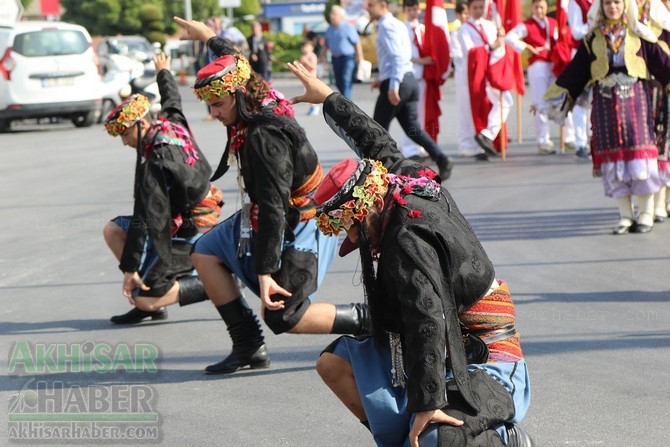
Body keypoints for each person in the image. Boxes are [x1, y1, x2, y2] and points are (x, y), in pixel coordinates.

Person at [286, 60, 533, 447]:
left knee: (439, 439)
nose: (352, 238)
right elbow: (378, 144)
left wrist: (426, 402)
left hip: (485, 358)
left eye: (350, 227)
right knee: (335, 365)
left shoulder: (406, 238)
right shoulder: (403, 181)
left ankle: (502, 438)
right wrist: (330, 99)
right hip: (443, 343)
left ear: (364, 208)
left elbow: (426, 318)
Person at [174, 16, 370, 375]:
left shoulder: (263, 140)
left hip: (305, 221)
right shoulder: (254, 93)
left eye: (217, 105)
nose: (214, 114)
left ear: (236, 95)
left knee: (282, 316)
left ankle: (370, 320)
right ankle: (248, 343)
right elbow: (238, 62)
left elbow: (273, 210)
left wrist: (265, 273)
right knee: (204, 251)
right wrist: (209, 37)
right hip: (270, 210)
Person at [103, 53, 222, 324]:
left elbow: (146, 218)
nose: (124, 142)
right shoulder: (170, 123)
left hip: (195, 227)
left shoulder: (157, 159)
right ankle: (151, 302)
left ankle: (217, 284)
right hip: (174, 216)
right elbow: (172, 99)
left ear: (142, 123)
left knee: (142, 296)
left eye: (124, 133)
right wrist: (163, 72)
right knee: (113, 229)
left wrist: (130, 270)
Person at [545, 0, 670, 234]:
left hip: (636, 103)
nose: (613, 7)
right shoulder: (594, 38)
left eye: (617, 2)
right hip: (604, 104)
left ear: (625, 5)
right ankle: (625, 215)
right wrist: (553, 98)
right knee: (613, 159)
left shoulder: (638, 33)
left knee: (640, 155)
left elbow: (662, 64)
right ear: (601, 7)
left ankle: (645, 213)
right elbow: (577, 70)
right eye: (608, 3)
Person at [366, 0, 454, 181]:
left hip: (398, 82)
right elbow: (396, 58)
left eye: (371, 4)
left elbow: (398, 57)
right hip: (409, 80)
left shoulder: (387, 26)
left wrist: (392, 85)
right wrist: (382, 78)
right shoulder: (397, 24)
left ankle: (375, 175)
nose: (368, 8)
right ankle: (442, 158)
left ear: (383, 5)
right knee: (413, 128)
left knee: (375, 131)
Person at [505, 0, 576, 154]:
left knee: (561, 98)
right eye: (536, 7)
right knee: (540, 102)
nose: (539, 10)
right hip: (537, 65)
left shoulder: (552, 22)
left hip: (554, 64)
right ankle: (543, 141)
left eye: (542, 7)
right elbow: (509, 37)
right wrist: (525, 47)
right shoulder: (527, 25)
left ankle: (570, 137)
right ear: (532, 8)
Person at [451, 0, 512, 161]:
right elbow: (470, 52)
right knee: (470, 110)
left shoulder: (490, 25)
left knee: (505, 100)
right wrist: (491, 47)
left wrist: (501, 40)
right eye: (475, 8)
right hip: (473, 74)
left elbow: (498, 47)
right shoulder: (463, 30)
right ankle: (472, 144)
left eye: (480, 7)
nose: (478, 10)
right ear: (469, 9)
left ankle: (487, 134)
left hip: (490, 72)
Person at [567, 0, 595, 158]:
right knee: (581, 102)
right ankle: (580, 142)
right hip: (582, 57)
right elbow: (576, 31)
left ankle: (595, 139)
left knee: (596, 101)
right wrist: (594, 25)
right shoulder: (576, 2)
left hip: (599, 57)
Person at [322, 5, 364, 100]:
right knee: (338, 82)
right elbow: (326, 45)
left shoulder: (348, 27)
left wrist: (360, 58)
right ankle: (346, 100)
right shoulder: (329, 29)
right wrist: (320, 58)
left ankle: (347, 103)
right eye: (331, 14)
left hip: (347, 58)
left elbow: (356, 43)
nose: (332, 16)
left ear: (341, 16)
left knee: (346, 79)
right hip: (335, 59)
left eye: (334, 14)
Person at [299, 40, 321, 116]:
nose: (305, 48)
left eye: (307, 47)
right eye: (304, 47)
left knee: (312, 93)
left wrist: (306, 61)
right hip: (305, 77)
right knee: (307, 93)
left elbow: (313, 66)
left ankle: (315, 107)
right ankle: (312, 107)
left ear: (312, 48)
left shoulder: (312, 56)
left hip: (311, 77)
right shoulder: (303, 56)